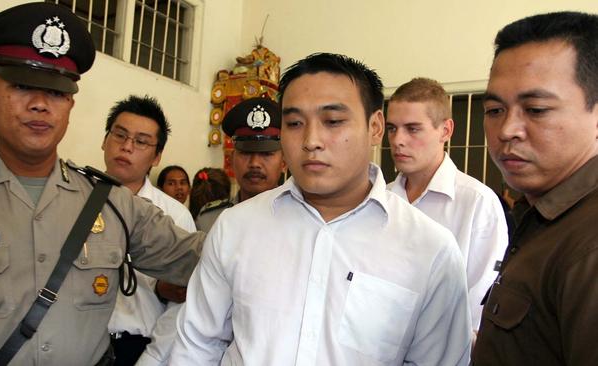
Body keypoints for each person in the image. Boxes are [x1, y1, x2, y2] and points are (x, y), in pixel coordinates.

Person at [170, 52, 471, 365]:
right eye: (295, 123)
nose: (311, 140)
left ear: (375, 127)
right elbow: (197, 345)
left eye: (333, 121)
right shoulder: (236, 227)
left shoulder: (430, 250)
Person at [0, 4, 203, 365]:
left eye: (55, 93)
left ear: (70, 104)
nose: (39, 104)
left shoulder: (112, 203)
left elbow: (207, 261)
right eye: (22, 86)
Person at [472, 11, 598, 366]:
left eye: (537, 109)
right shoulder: (541, 215)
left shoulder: (589, 241)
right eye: (495, 109)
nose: (507, 129)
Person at [385, 77, 509, 334]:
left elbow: (479, 305)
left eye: (413, 128)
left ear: (446, 130)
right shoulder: (379, 199)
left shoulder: (477, 203)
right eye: (392, 128)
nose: (398, 140)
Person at [102, 95, 196, 365]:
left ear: (156, 157)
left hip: (143, 348)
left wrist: (152, 359)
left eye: (141, 141)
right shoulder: (76, 201)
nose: (127, 147)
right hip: (81, 345)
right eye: (119, 135)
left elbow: (183, 305)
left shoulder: (174, 214)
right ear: (105, 141)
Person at [194, 97, 287, 232]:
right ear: (232, 160)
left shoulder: (300, 220)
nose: (254, 163)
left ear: (284, 163)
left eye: (266, 154)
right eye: (245, 152)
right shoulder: (210, 218)